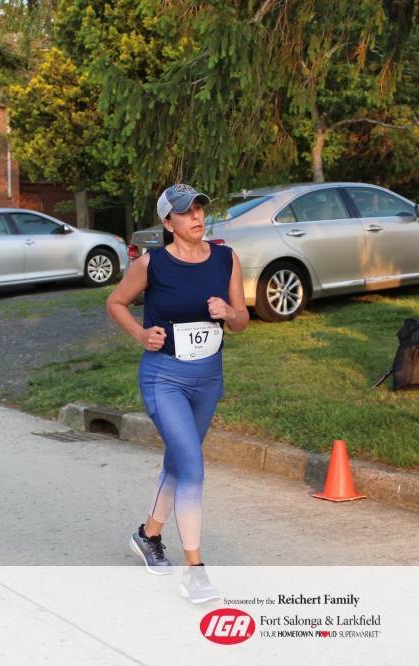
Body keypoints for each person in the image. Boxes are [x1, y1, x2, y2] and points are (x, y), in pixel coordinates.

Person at [106, 183, 249, 602]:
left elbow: (242, 321)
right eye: (186, 212)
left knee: (178, 462)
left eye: (199, 208)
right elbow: (115, 302)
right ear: (168, 223)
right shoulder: (151, 264)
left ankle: (148, 535)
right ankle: (195, 571)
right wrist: (139, 333)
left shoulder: (226, 258)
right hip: (164, 378)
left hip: (209, 379)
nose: (196, 217)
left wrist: (230, 312)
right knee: (192, 467)